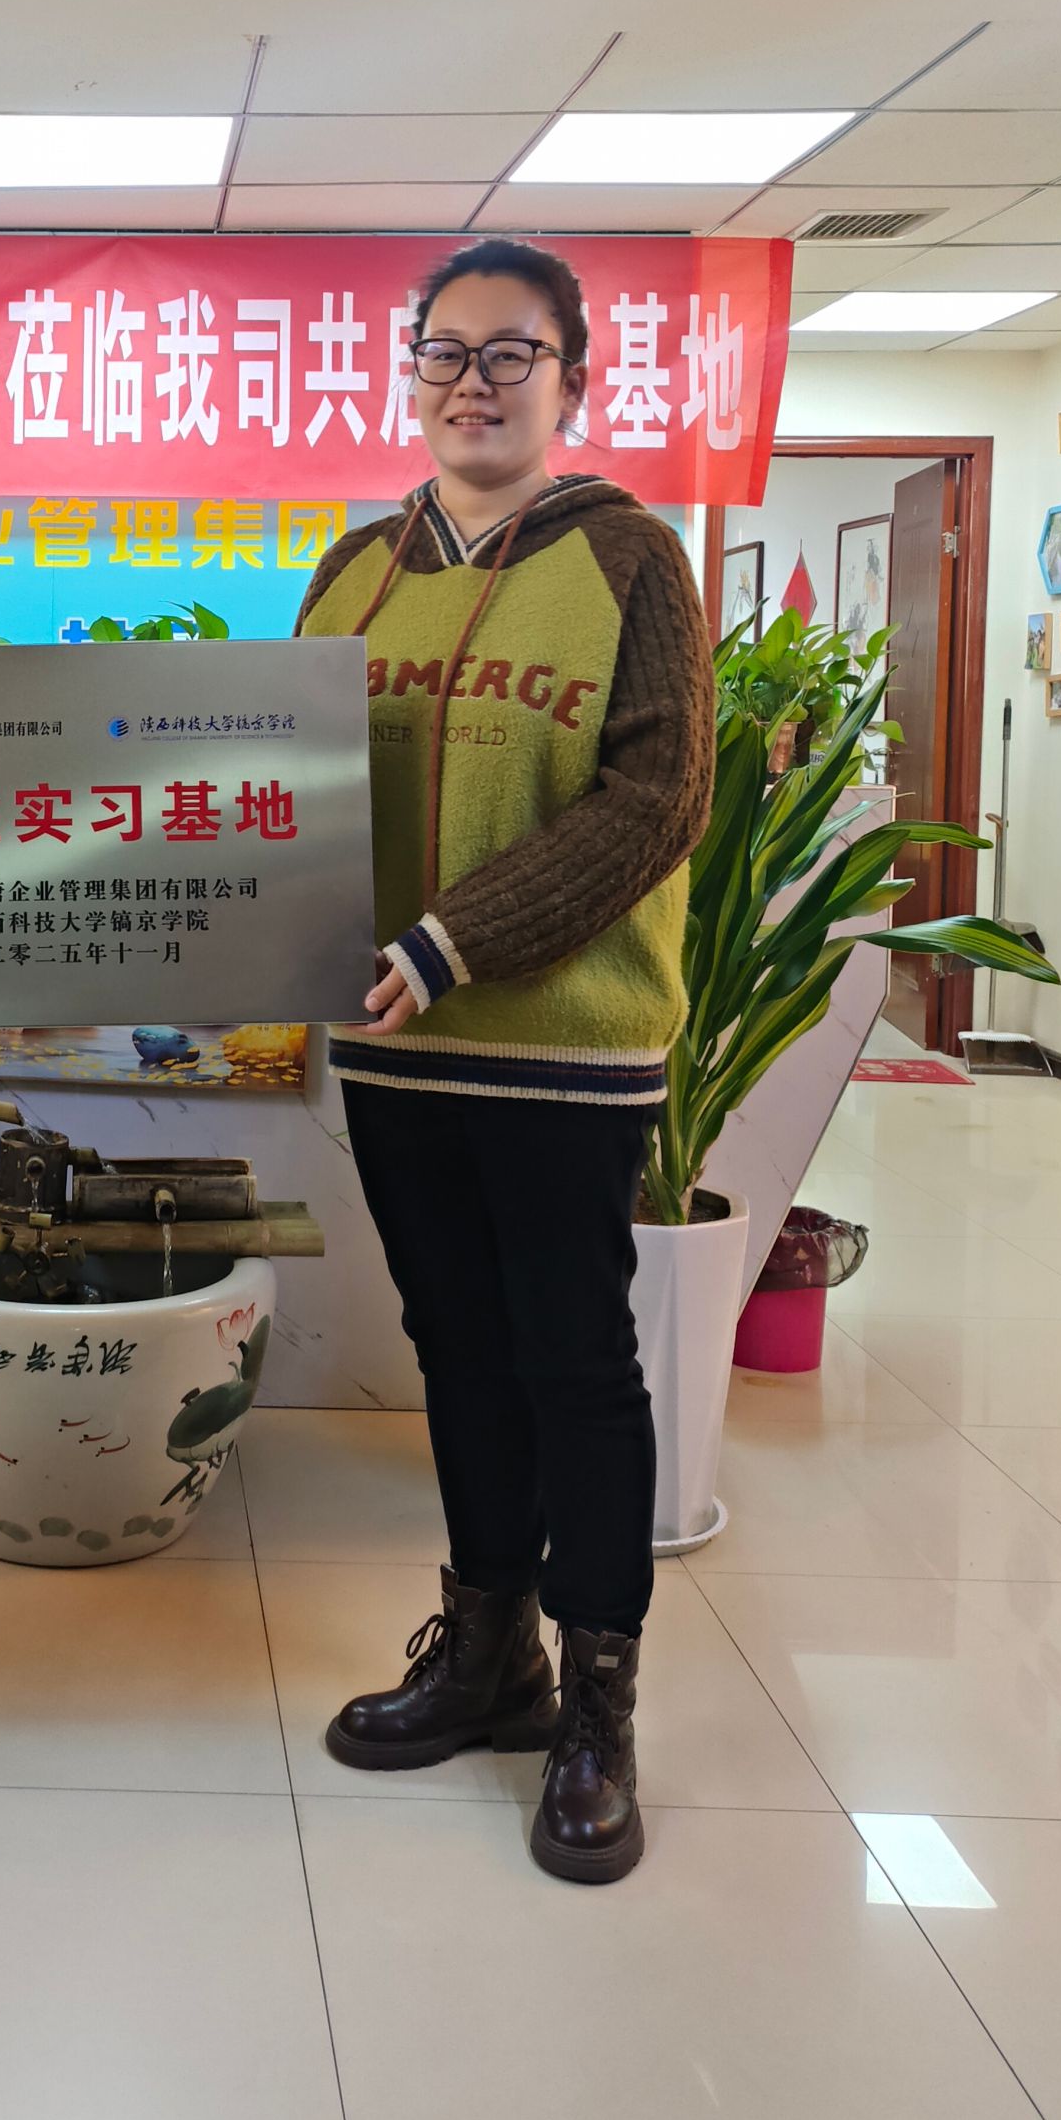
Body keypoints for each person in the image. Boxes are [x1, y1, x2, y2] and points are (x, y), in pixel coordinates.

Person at [294, 236, 714, 1884]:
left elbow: (655, 801)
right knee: (456, 1349)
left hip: (559, 1051)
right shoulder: (353, 571)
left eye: (510, 354)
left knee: (574, 1361)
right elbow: (284, 789)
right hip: (400, 1058)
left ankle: (598, 1705)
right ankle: (490, 1653)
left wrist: (448, 940)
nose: (472, 382)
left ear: (572, 381)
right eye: (445, 353)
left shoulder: (630, 559)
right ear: (411, 374)